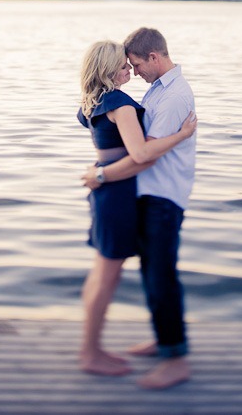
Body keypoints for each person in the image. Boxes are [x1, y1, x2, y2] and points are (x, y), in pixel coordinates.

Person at [82, 27, 196, 389]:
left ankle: (173, 356)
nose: (133, 71)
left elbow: (144, 155)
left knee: (157, 275)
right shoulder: (135, 97)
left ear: (154, 57)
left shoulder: (172, 95)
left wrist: (101, 173)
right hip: (130, 195)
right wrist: (101, 175)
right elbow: (143, 153)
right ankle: (151, 344)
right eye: (124, 66)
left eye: (135, 64)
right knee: (137, 274)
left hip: (161, 196)